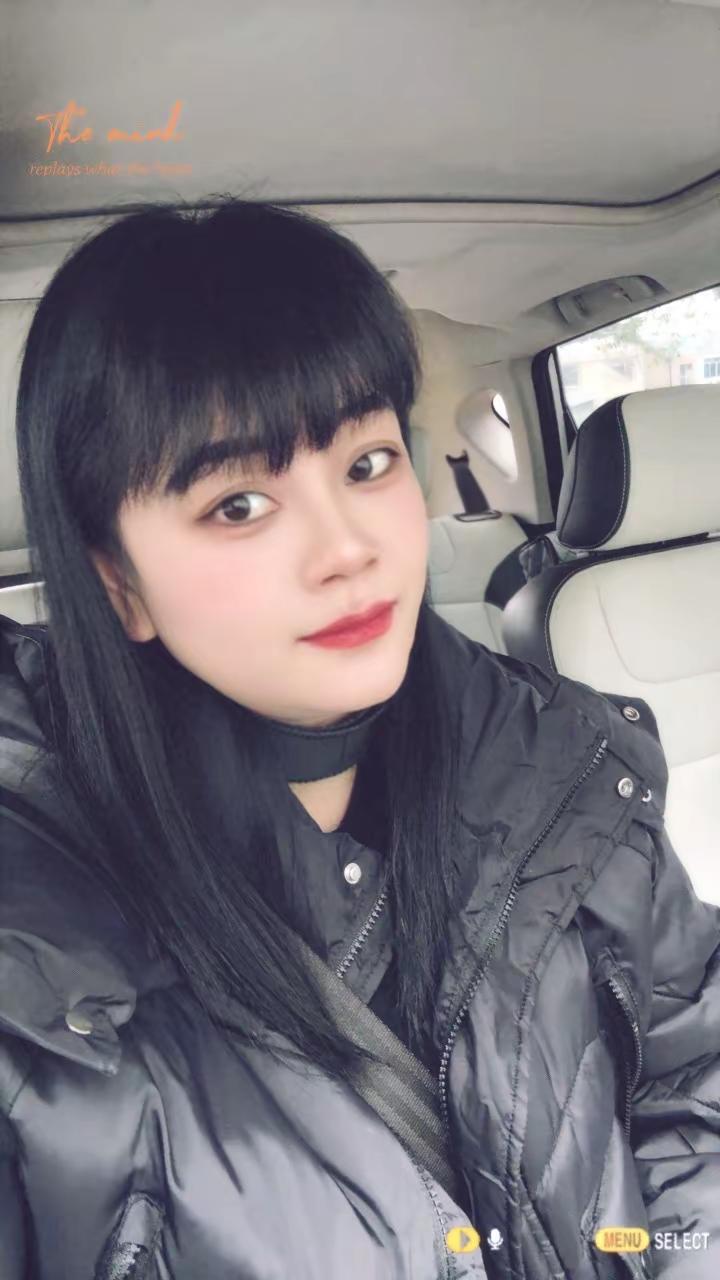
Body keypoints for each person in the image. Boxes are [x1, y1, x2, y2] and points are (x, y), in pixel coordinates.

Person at [0, 196, 718, 1280]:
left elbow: (691, 1079)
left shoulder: (571, 774)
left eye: (368, 464)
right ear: (118, 584)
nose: (347, 548)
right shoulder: (38, 937)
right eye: (239, 504)